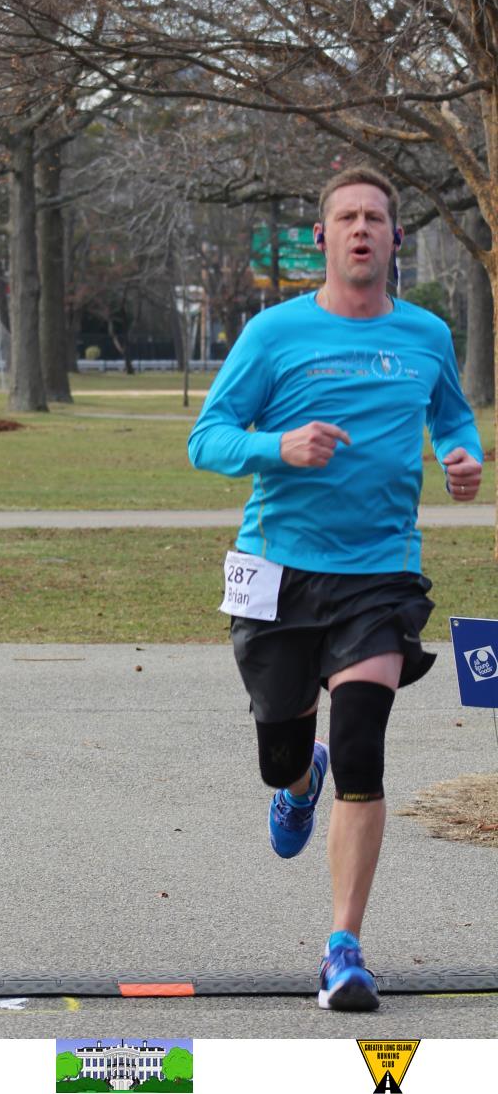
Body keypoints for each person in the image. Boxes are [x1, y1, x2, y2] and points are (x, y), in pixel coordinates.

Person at [188, 167, 483, 1012]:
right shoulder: (274, 334)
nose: (361, 229)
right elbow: (207, 439)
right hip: (278, 573)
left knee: (362, 747)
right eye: (346, 217)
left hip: (380, 576)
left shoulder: (426, 334)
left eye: (375, 218)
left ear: (396, 238)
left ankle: (343, 949)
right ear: (321, 238)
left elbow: (453, 417)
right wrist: (278, 447)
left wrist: (461, 456)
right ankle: (298, 779)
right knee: (282, 757)